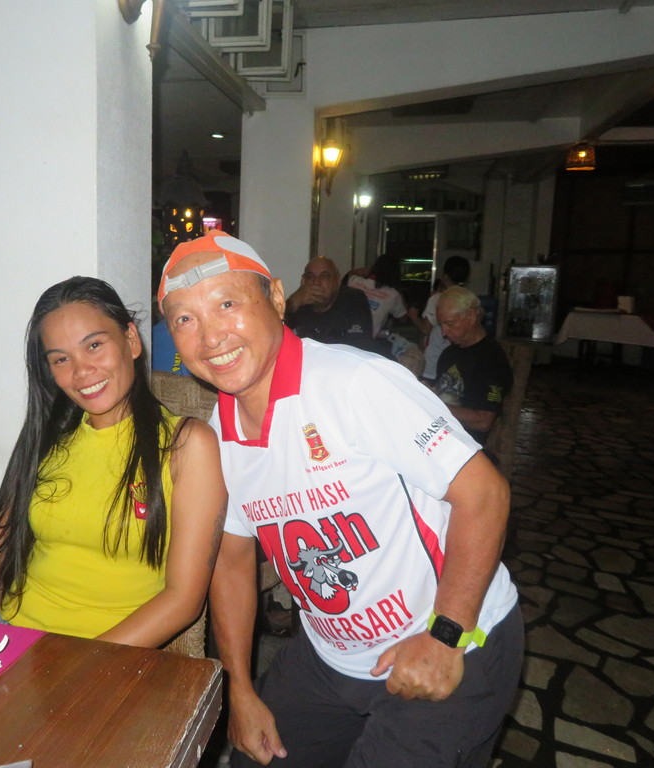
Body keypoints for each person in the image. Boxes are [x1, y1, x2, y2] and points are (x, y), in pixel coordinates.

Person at [157, 229, 522, 768]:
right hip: (331, 655)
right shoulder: (219, 434)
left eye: (227, 304)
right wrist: (240, 688)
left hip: (452, 634)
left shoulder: (354, 383)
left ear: (276, 298)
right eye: (185, 319)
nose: (211, 336)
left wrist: (445, 635)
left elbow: (485, 493)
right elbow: (231, 561)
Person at [0, 276, 227, 648]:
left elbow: (182, 600)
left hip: (108, 657)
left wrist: (78, 668)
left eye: (94, 345)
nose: (81, 372)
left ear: (131, 340)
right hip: (11, 639)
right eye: (61, 359)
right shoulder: (48, 438)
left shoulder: (187, 445)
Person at [433, 287, 513, 445]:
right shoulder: (448, 354)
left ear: (471, 316)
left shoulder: (491, 358)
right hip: (439, 435)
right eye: (441, 325)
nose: (444, 332)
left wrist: (432, 405)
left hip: (465, 445)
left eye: (450, 324)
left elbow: (484, 421)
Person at [284, 256, 372, 345]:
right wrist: (292, 303)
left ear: (337, 281)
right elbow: (277, 335)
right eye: (310, 277)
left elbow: (358, 345)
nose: (316, 282)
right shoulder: (300, 302)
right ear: (303, 281)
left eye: (324, 276)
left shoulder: (353, 300)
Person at [410, 255, 471, 383]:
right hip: (458, 362)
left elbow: (426, 329)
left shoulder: (438, 299)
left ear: (445, 276)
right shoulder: (469, 300)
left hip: (434, 361)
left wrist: (414, 316)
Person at [346, 254, 407, 336]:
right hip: (367, 338)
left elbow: (351, 273)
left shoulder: (355, 281)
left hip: (344, 333)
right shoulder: (393, 294)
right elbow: (403, 317)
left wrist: (368, 270)